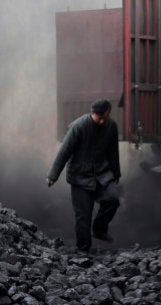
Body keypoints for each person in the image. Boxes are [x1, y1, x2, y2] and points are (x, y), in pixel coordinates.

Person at [46, 99, 121, 254]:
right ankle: (83, 250)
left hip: (102, 175)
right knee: (83, 217)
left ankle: (100, 229)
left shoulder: (111, 127)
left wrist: (116, 172)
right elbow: (64, 152)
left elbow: (113, 152)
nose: (101, 121)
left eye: (104, 118)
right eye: (98, 117)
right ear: (92, 112)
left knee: (113, 199)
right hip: (80, 178)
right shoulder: (78, 127)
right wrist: (53, 175)